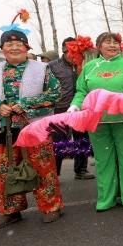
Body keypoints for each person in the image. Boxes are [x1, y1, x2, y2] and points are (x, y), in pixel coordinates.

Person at [0, 28, 64, 229]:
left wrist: (26, 104)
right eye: (9, 44)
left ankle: (51, 207)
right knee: (4, 172)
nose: (14, 47)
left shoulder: (42, 69)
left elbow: (55, 94)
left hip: (35, 129)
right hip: (2, 130)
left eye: (19, 44)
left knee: (43, 168)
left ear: (26, 47)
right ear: (2, 49)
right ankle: (10, 211)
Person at [70, 32, 123, 211]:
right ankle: (106, 199)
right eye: (108, 42)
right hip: (97, 122)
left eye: (115, 42)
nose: (113, 45)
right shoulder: (89, 67)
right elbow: (81, 92)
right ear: (99, 46)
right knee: (103, 160)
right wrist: (75, 105)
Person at [48, 37, 94, 180]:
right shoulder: (52, 66)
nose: (74, 56)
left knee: (82, 139)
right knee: (58, 141)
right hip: (60, 108)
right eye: (71, 52)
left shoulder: (86, 64)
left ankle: (81, 170)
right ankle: (54, 173)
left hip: (80, 108)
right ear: (64, 51)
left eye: (78, 52)